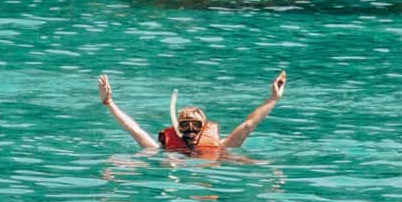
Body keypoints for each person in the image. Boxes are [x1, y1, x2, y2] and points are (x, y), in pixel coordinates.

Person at [97, 72, 287, 154]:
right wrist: (109, 103)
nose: (190, 130)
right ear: (177, 128)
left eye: (195, 125)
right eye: (185, 125)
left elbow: (248, 125)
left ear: (204, 128)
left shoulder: (221, 147)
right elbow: (134, 130)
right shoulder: (162, 150)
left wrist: (273, 98)